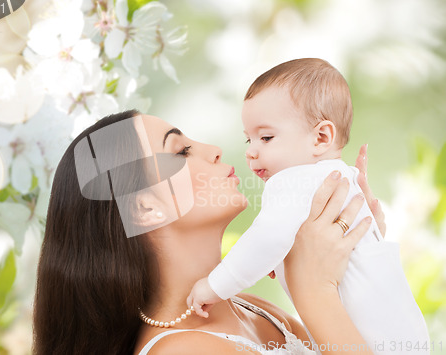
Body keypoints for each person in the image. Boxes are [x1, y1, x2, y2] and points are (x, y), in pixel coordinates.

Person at [32, 110, 383, 355]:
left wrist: (355, 259)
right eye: (182, 151)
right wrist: (315, 292)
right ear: (144, 208)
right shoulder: (180, 351)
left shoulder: (252, 309)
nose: (214, 151)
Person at [186, 58, 429, 354]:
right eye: (248, 139)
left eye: (266, 137)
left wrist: (214, 286)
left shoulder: (291, 180)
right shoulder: (341, 176)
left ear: (321, 137)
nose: (250, 152)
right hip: (402, 331)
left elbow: (268, 238)